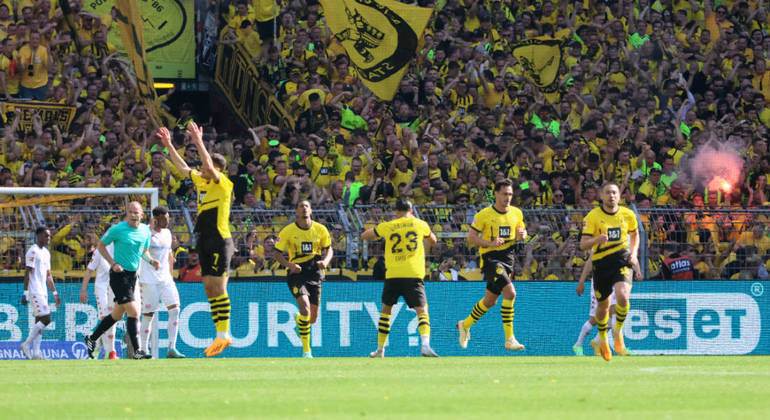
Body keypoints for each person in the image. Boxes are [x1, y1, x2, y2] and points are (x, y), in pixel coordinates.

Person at [160, 123, 235, 357]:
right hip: (204, 238)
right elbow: (182, 167)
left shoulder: (223, 183)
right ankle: (219, 335)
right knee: (209, 287)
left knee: (220, 287)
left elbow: (210, 169)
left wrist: (198, 141)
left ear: (217, 168)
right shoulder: (202, 182)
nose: (200, 168)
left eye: (205, 165)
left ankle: (225, 335)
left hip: (220, 239)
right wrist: (169, 145)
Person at [361, 198, 439, 358]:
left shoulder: (388, 226)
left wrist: (377, 232)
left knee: (386, 311)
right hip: (413, 273)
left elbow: (365, 235)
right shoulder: (420, 224)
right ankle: (425, 344)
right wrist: (426, 246)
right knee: (422, 310)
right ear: (411, 211)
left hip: (393, 274)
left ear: (396, 211)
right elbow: (433, 239)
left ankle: (380, 350)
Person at [457, 179, 527, 351]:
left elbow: (522, 233)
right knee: (510, 293)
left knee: (490, 301)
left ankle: (464, 325)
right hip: (490, 259)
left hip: (508, 259)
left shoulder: (517, 213)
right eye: (504, 194)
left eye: (510, 194)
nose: (508, 197)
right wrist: (489, 243)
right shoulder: (483, 215)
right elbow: (471, 238)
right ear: (495, 194)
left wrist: (522, 234)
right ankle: (509, 339)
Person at [84, 201, 160, 360]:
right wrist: (113, 264)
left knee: (117, 315)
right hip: (119, 276)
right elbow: (101, 246)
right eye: (130, 212)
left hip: (133, 277)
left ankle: (92, 338)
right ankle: (138, 351)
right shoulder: (117, 229)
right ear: (127, 213)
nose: (133, 215)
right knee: (134, 311)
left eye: (136, 212)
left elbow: (144, 251)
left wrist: (152, 261)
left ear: (142, 215)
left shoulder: (145, 231)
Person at [580, 182, 640, 361]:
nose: (611, 196)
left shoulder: (628, 214)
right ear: (601, 196)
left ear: (619, 196)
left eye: (614, 192)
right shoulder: (592, 217)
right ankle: (603, 339)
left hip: (621, 261)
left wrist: (634, 254)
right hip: (601, 264)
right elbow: (583, 245)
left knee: (623, 296)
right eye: (608, 193)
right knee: (603, 307)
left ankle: (618, 332)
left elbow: (635, 234)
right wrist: (597, 239)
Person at [273, 199, 333, 358]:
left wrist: (325, 261)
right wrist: (289, 265)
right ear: (296, 211)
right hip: (297, 273)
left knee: (312, 319)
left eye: (307, 206)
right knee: (305, 308)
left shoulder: (320, 229)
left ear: (311, 210)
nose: (304, 209)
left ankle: (299, 320)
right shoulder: (287, 231)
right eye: (301, 206)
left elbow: (329, 249)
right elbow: (277, 253)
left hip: (314, 272)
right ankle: (307, 351)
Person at [138, 206, 185, 359]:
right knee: (148, 315)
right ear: (156, 218)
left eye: (168, 217)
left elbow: (169, 256)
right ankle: (144, 349)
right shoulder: (145, 232)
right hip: (149, 280)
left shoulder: (168, 233)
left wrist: (170, 277)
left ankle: (172, 347)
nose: (168, 221)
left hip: (165, 279)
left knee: (175, 310)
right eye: (165, 218)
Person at [20, 227, 61, 359]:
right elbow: (28, 272)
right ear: (38, 236)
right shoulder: (33, 251)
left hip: (43, 290)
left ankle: (36, 353)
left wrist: (54, 292)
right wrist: (26, 293)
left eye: (49, 236)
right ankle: (26, 344)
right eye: (45, 236)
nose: (48, 238)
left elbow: (48, 275)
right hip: (35, 290)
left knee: (39, 320)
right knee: (46, 319)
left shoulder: (46, 253)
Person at [572, 250, 622, 356]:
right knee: (595, 319)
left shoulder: (619, 241)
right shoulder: (600, 242)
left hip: (613, 280)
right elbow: (590, 261)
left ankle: (597, 342)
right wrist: (581, 281)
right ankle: (578, 344)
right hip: (599, 282)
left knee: (613, 315)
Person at [79, 242, 118, 360]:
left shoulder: (120, 249)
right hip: (101, 288)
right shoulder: (99, 251)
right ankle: (109, 353)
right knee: (106, 318)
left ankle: (95, 347)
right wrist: (83, 290)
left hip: (115, 288)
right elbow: (89, 270)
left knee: (111, 320)